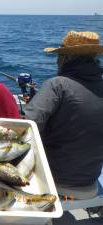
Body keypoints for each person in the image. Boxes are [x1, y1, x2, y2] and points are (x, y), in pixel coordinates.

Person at [24, 30, 103, 199]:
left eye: (59, 56)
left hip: (56, 178)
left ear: (66, 59)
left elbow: (28, 127)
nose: (57, 61)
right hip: (90, 178)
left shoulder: (57, 85)